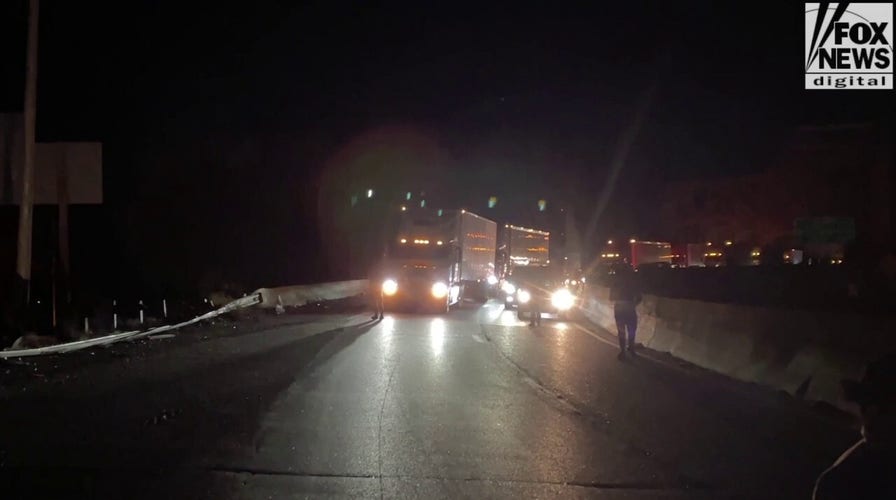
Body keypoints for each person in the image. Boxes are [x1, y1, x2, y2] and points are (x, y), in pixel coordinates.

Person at [813, 352, 896, 499]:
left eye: (882, 405)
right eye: (867, 403)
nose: (868, 411)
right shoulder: (844, 479)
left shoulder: (840, 479)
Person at [610, 265, 641, 360]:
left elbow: (611, 297)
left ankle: (623, 351)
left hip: (619, 309)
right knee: (632, 329)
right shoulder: (633, 282)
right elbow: (639, 297)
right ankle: (631, 348)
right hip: (630, 308)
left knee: (621, 331)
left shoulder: (615, 283)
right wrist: (633, 304)